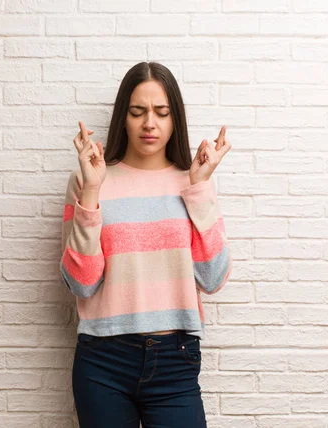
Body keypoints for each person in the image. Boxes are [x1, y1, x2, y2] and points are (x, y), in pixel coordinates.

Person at [59, 61, 232, 428]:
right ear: (124, 117)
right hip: (103, 360)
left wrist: (199, 188)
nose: (149, 123)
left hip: (175, 359)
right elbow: (82, 282)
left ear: (174, 119)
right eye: (138, 112)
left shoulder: (194, 181)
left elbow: (213, 277)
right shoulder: (89, 180)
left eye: (161, 112)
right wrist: (91, 191)